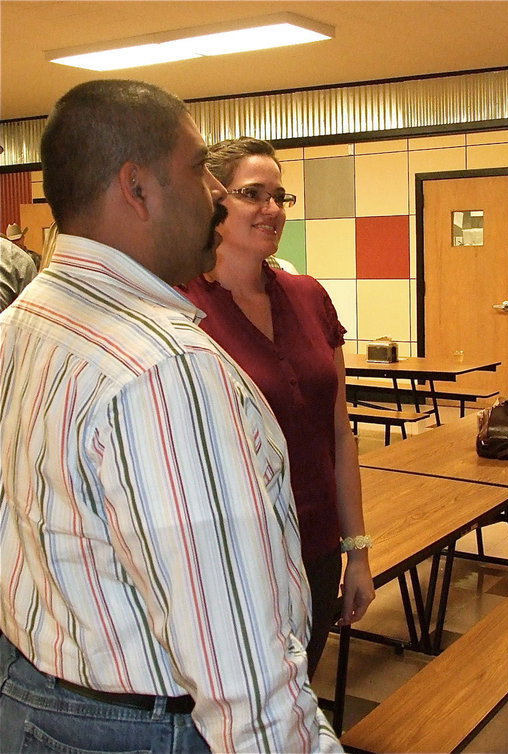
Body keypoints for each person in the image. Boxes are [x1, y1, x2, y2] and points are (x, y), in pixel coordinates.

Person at [0, 80, 341, 754]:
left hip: (32, 700)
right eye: (197, 168)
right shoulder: (165, 370)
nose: (215, 193)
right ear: (138, 188)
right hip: (141, 728)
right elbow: (240, 665)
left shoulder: (24, 321)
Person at [180, 137, 374, 679]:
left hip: (315, 547)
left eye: (280, 196)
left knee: (297, 695)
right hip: (234, 558)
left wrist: (356, 551)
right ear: (212, 203)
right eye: (253, 194)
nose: (272, 209)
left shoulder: (308, 296)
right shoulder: (181, 307)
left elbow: (339, 434)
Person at [0, 235, 36, 311]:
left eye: (18, 239)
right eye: (14, 240)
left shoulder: (23, 261)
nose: (17, 242)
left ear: (23, 239)